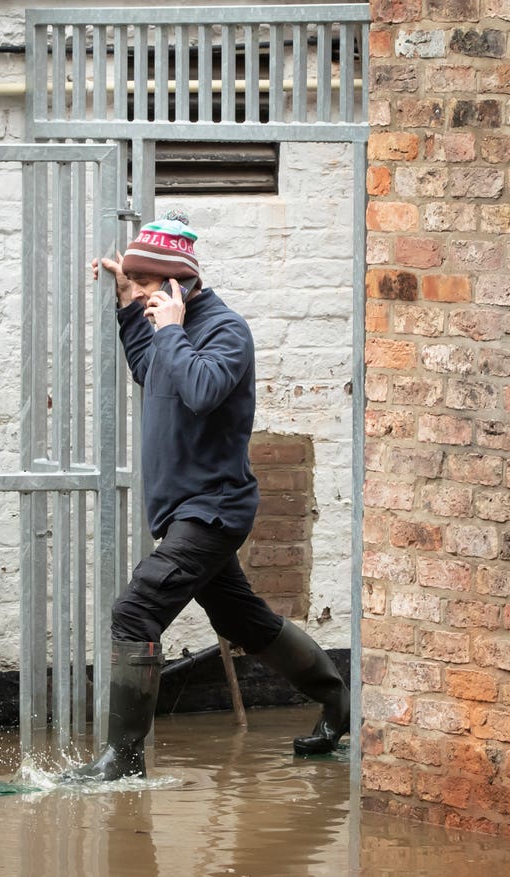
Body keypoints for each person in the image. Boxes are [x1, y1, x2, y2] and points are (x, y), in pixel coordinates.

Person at [61, 210, 350, 783]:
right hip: (185, 510)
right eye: (137, 285)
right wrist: (128, 307)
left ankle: (124, 762)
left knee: (136, 611)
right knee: (243, 620)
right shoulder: (165, 322)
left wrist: (168, 327)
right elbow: (151, 368)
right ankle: (340, 702)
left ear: (179, 282)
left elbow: (199, 390)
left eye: (147, 285)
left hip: (213, 510)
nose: (143, 295)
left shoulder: (226, 330)